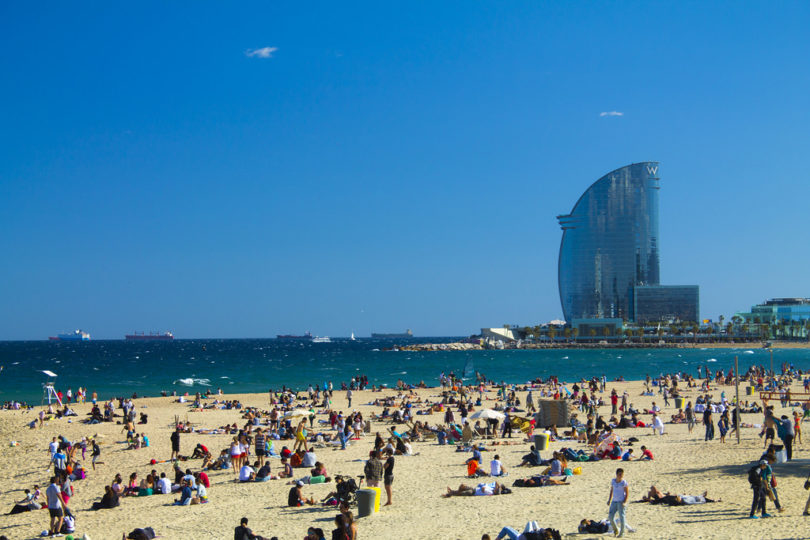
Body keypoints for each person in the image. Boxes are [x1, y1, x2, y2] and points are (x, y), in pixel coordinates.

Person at [607, 468, 628, 538]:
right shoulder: (613, 481)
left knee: (622, 517)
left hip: (621, 501)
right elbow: (611, 490)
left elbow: (627, 493)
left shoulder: (624, 482)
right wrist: (609, 500)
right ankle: (616, 530)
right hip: (614, 501)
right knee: (610, 516)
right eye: (619, 474)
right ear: (616, 474)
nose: (621, 476)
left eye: (622, 474)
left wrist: (624, 502)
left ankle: (622, 533)